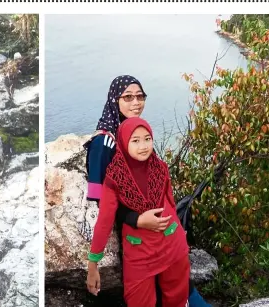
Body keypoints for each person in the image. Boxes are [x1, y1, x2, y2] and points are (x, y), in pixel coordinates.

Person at [84, 75, 210, 306]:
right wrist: (137, 220)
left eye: (140, 96)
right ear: (115, 99)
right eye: (128, 97)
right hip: (136, 239)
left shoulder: (139, 139)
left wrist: (176, 231)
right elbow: (101, 204)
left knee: (180, 292)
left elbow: (167, 198)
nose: (136, 102)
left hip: (165, 240)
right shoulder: (106, 144)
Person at [87, 118, 190, 307]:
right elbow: (105, 220)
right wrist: (93, 263)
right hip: (140, 252)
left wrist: (179, 232)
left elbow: (171, 203)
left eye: (147, 139)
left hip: (172, 245)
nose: (143, 146)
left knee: (177, 299)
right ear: (124, 142)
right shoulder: (115, 178)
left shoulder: (160, 167)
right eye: (135, 140)